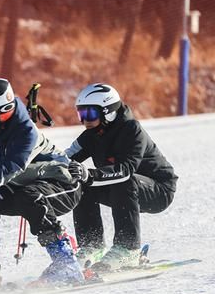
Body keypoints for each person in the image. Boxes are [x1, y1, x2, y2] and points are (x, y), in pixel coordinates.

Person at [0, 78, 84, 287]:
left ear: (5, 109)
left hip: (61, 184)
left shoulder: (26, 132)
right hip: (20, 188)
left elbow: (13, 166)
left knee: (29, 197)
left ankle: (66, 263)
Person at [66, 83, 178, 270]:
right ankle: (91, 246)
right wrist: (38, 165)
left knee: (124, 180)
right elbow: (65, 157)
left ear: (108, 111)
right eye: (81, 114)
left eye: (90, 114)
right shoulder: (91, 134)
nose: (85, 120)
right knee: (81, 184)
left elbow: (126, 169)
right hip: (122, 190)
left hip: (159, 190)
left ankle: (128, 250)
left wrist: (91, 174)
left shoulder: (131, 130)